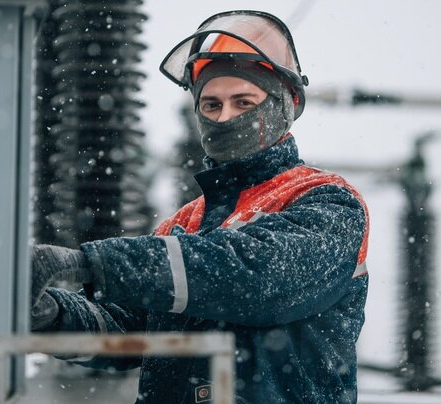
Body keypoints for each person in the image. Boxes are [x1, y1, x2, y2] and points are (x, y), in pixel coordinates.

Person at [31, 10, 370, 404]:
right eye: (211, 105)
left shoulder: (329, 204)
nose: (225, 117)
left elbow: (253, 277)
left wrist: (92, 262)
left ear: (285, 104)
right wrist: (50, 315)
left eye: (243, 101)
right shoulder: (184, 224)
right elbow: (123, 328)